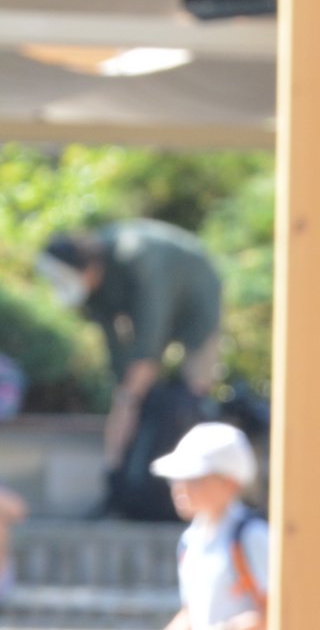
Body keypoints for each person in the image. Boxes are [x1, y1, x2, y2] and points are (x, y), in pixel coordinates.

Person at [37, 221, 225, 519]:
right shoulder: (95, 291)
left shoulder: (137, 256)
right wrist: (125, 397)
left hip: (197, 298)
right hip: (156, 308)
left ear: (88, 267)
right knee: (129, 394)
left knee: (192, 394)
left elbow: (149, 341)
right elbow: (119, 354)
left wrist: (131, 395)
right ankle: (122, 490)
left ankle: (197, 500)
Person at [151, 422, 267, 630]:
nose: (180, 488)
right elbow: (190, 614)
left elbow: (276, 614)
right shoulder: (190, 540)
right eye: (177, 478)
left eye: (194, 478)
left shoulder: (251, 535)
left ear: (230, 482)